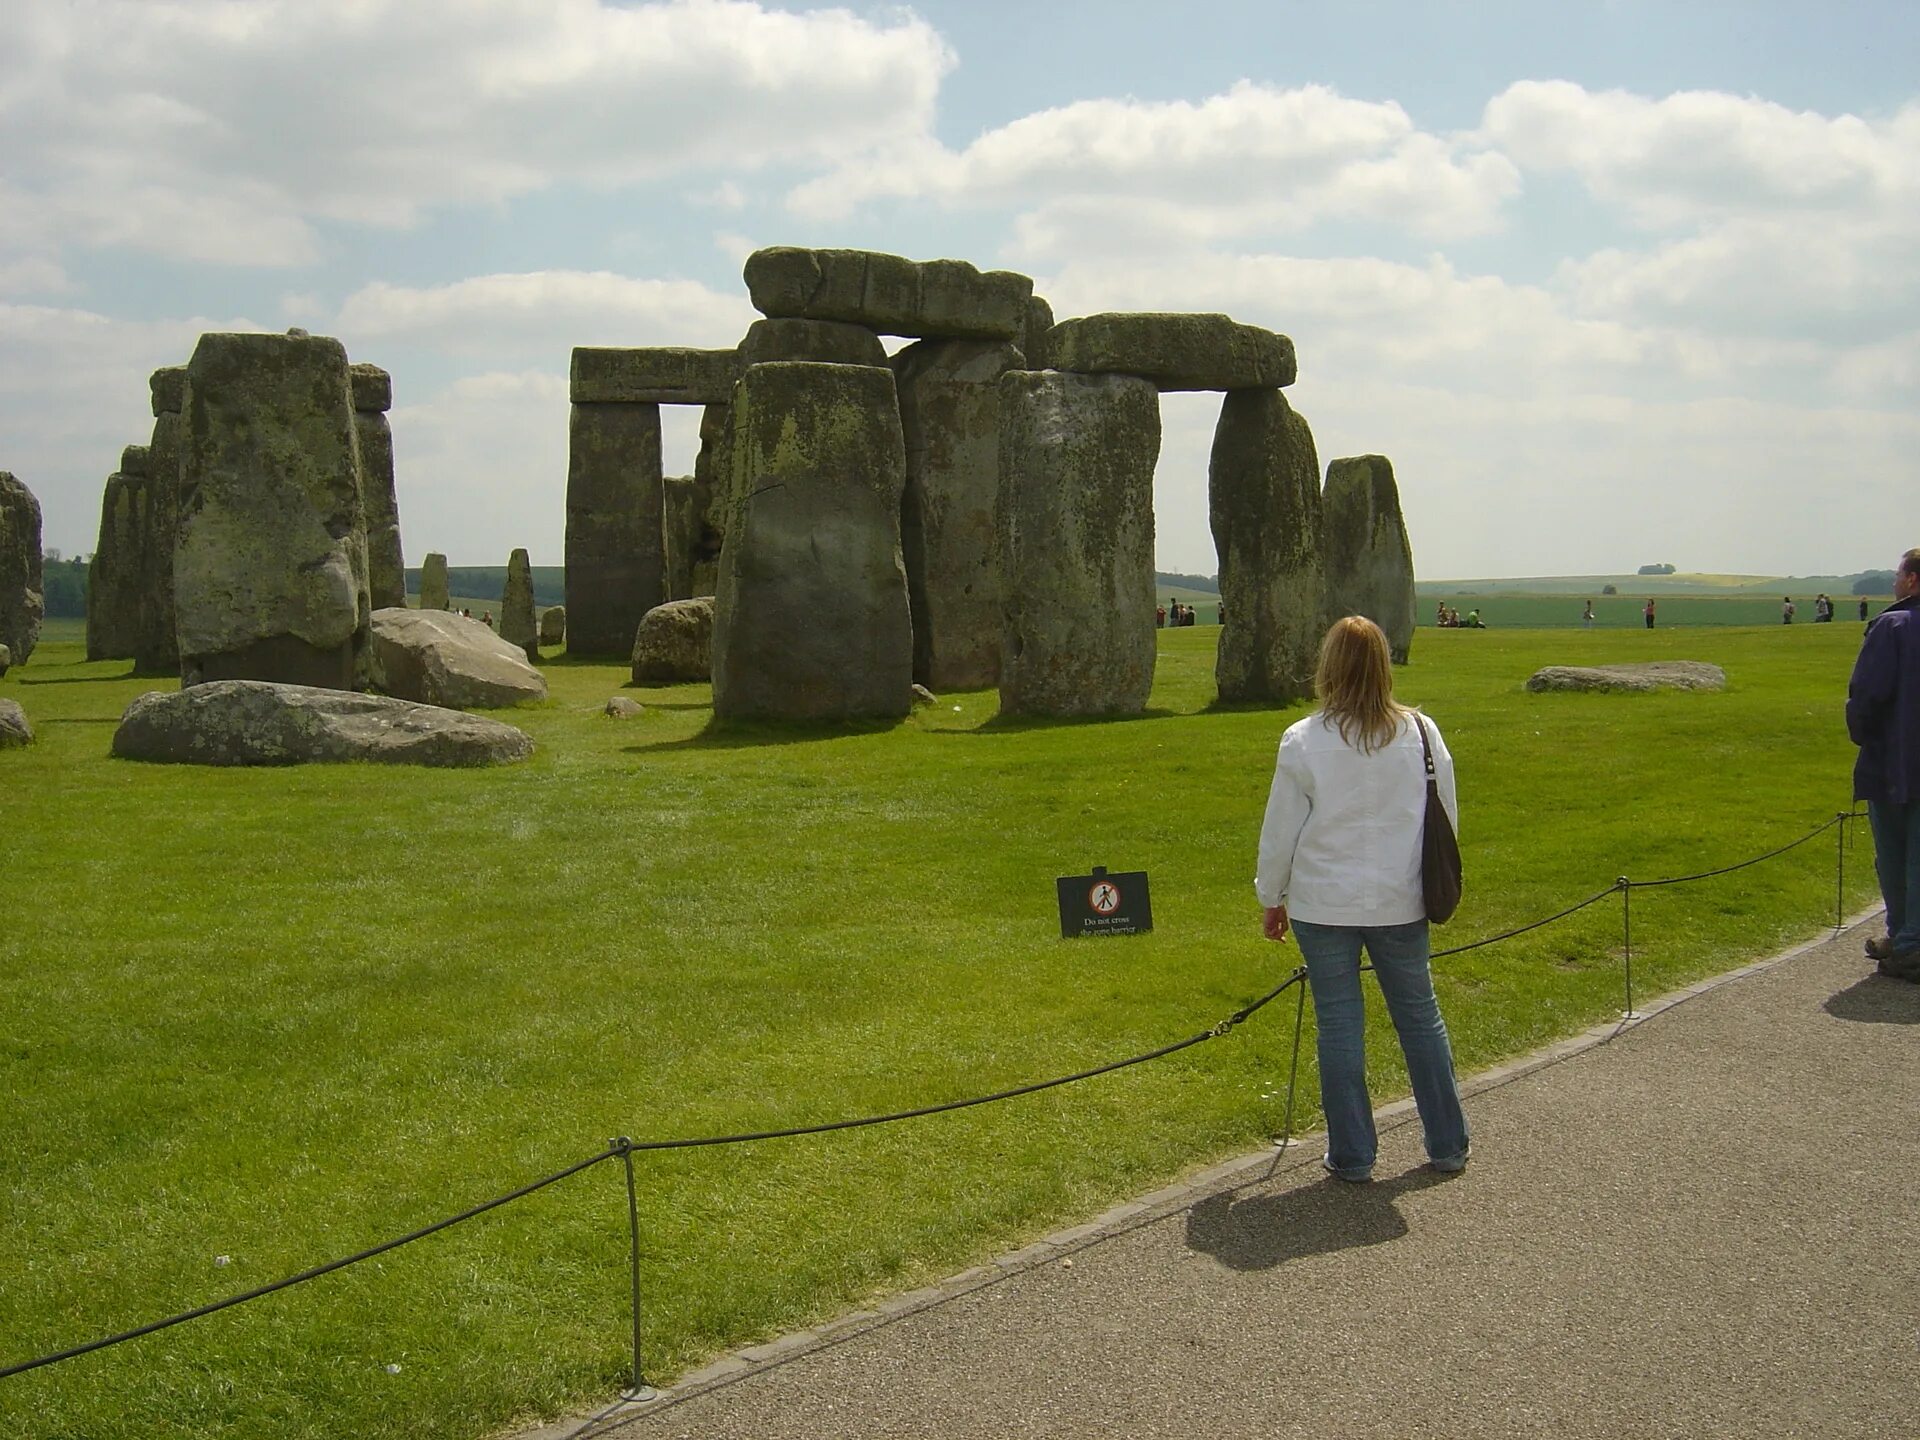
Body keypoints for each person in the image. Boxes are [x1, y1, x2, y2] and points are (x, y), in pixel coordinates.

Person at [1255, 616, 1470, 1181]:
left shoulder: (1304, 739)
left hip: (1323, 902)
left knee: (1341, 1025)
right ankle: (1447, 1143)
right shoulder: (1422, 731)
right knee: (1420, 1019)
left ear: (1328, 666)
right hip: (1401, 897)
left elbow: (1281, 831)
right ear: (1383, 664)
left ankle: (1353, 1154)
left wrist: (1270, 894)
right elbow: (1445, 815)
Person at [1848, 549, 1920, 977]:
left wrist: (1864, 736)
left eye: (1898, 575)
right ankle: (1905, 937)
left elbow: (1867, 698)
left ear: (1911, 580)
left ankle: (1908, 940)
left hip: (1896, 760)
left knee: (1897, 855)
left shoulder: (1893, 626)